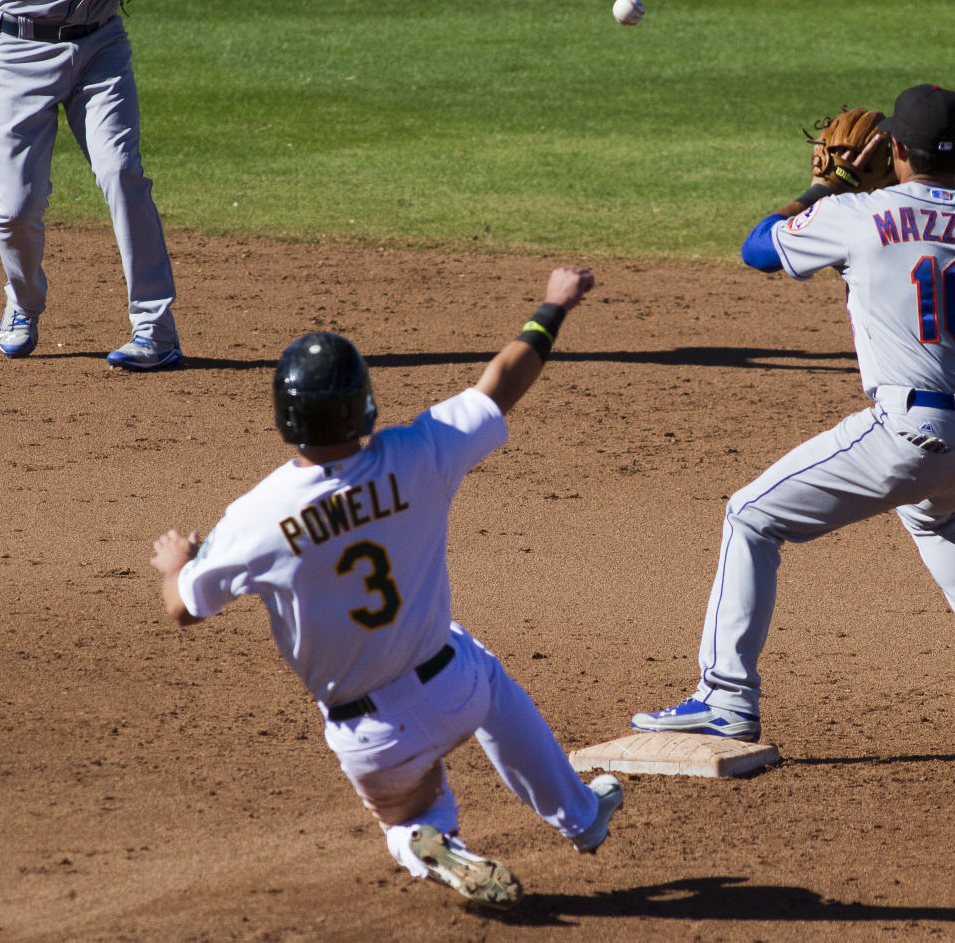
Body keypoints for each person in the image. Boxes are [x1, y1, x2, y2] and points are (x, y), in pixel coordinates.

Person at [151, 266, 623, 910]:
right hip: (453, 686)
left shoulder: (256, 518)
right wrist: (552, 306)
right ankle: (579, 814)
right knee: (479, 666)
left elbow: (185, 608)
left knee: (405, 823)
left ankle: (433, 840)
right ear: (363, 403)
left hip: (370, 736)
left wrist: (177, 562)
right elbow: (501, 383)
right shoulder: (417, 453)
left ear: (287, 415)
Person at [632, 85, 955, 744]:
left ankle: (725, 699)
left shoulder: (859, 215)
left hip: (914, 432)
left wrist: (825, 191)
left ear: (896, 151)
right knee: (930, 511)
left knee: (750, 516)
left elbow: (757, 249)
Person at [0, 0, 232, 370]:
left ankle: (156, 331)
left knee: (122, 172)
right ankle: (23, 303)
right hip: (20, 51)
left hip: (99, 44)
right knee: (17, 208)